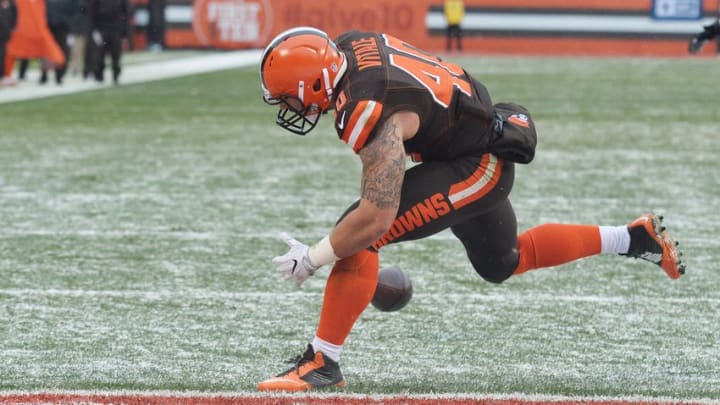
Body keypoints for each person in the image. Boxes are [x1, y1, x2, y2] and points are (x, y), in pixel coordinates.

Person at [256, 27, 686, 392]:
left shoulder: (365, 108)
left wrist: (312, 258)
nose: (288, 110)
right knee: (502, 262)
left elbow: (375, 217)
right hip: (466, 144)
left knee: (361, 233)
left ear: (312, 85)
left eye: (286, 99)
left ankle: (322, 362)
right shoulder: (350, 46)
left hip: (475, 163)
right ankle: (632, 238)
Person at [4, 0, 65, 81]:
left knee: (53, 54)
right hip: (24, 31)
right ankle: (7, 75)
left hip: (31, 30)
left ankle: (53, 76)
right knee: (9, 53)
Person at [87, 0, 130, 84]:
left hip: (115, 29)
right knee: (99, 55)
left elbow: (126, 14)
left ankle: (115, 75)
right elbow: (91, 14)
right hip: (101, 29)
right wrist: (94, 30)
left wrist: (125, 33)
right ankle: (99, 76)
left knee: (116, 54)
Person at [40, 0, 76, 84]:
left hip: (62, 28)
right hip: (49, 27)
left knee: (61, 53)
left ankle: (59, 75)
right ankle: (45, 74)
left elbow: (72, 12)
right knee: (47, 53)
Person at [0, 0, 17, 86]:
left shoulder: (10, 2)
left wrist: (11, 28)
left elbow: (15, 15)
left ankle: (2, 76)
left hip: (4, 33)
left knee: (2, 54)